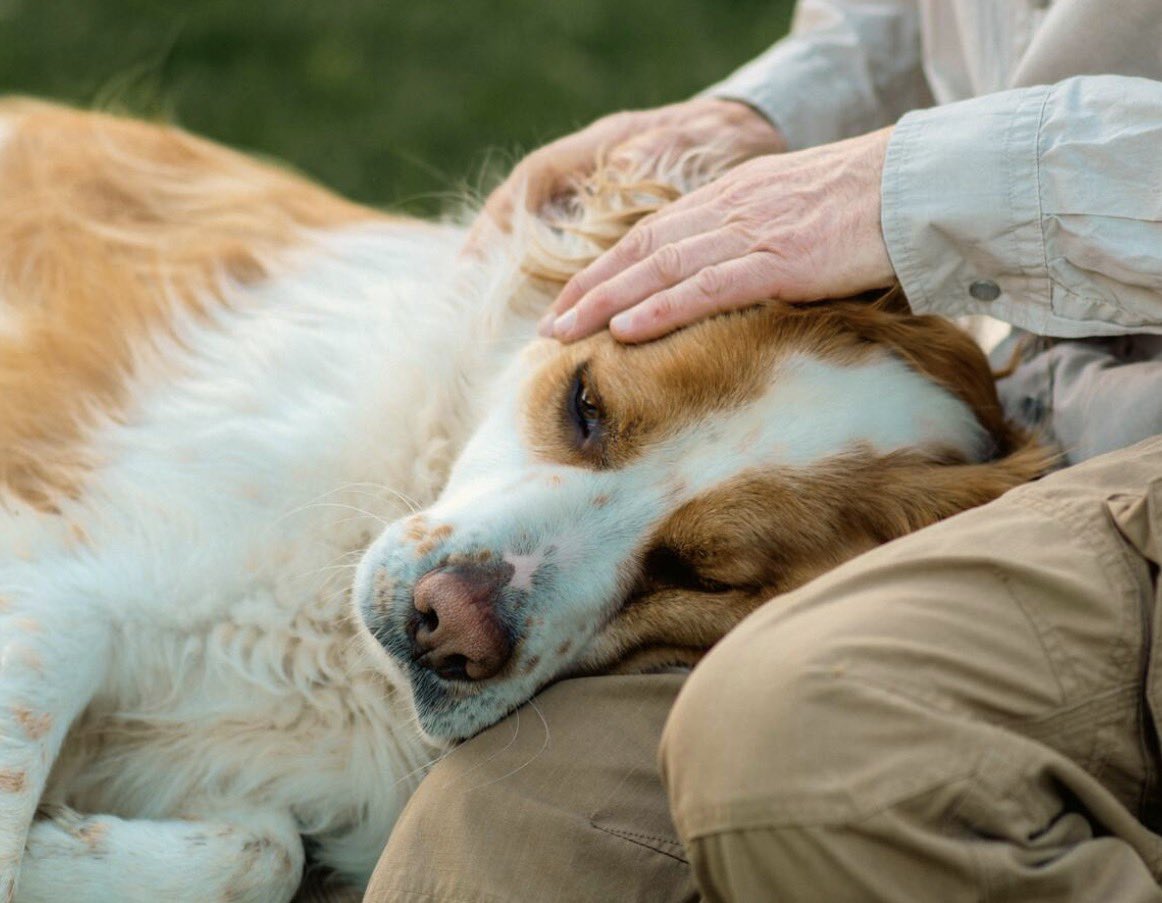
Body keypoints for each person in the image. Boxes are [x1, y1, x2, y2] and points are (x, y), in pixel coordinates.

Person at [366, 2, 1162, 900]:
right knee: (501, 827)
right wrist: (786, 113)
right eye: (588, 413)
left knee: (780, 737)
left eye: (702, 570)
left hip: (1127, 451)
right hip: (1008, 359)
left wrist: (931, 190)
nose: (466, 609)